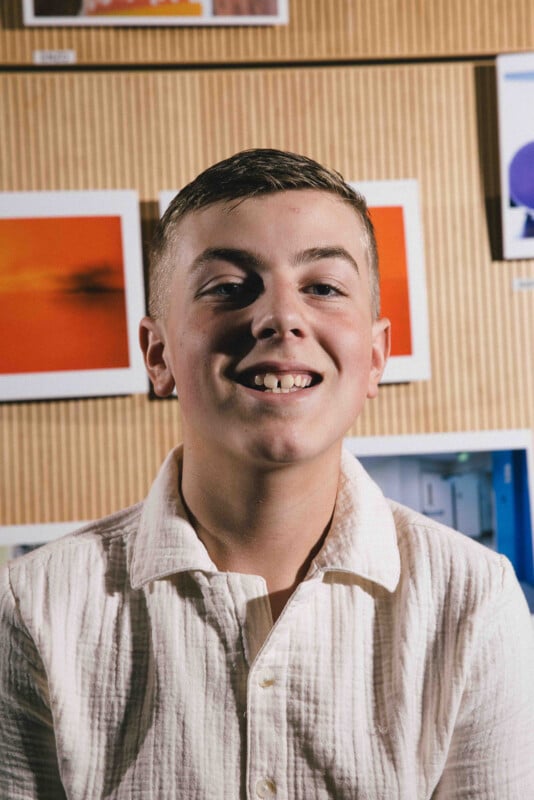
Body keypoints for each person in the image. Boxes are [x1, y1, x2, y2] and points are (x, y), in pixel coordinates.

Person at [1, 149, 533, 799]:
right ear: (158, 353)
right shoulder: (34, 610)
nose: (281, 317)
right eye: (227, 287)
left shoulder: (472, 603)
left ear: (373, 357)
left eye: (323, 287)